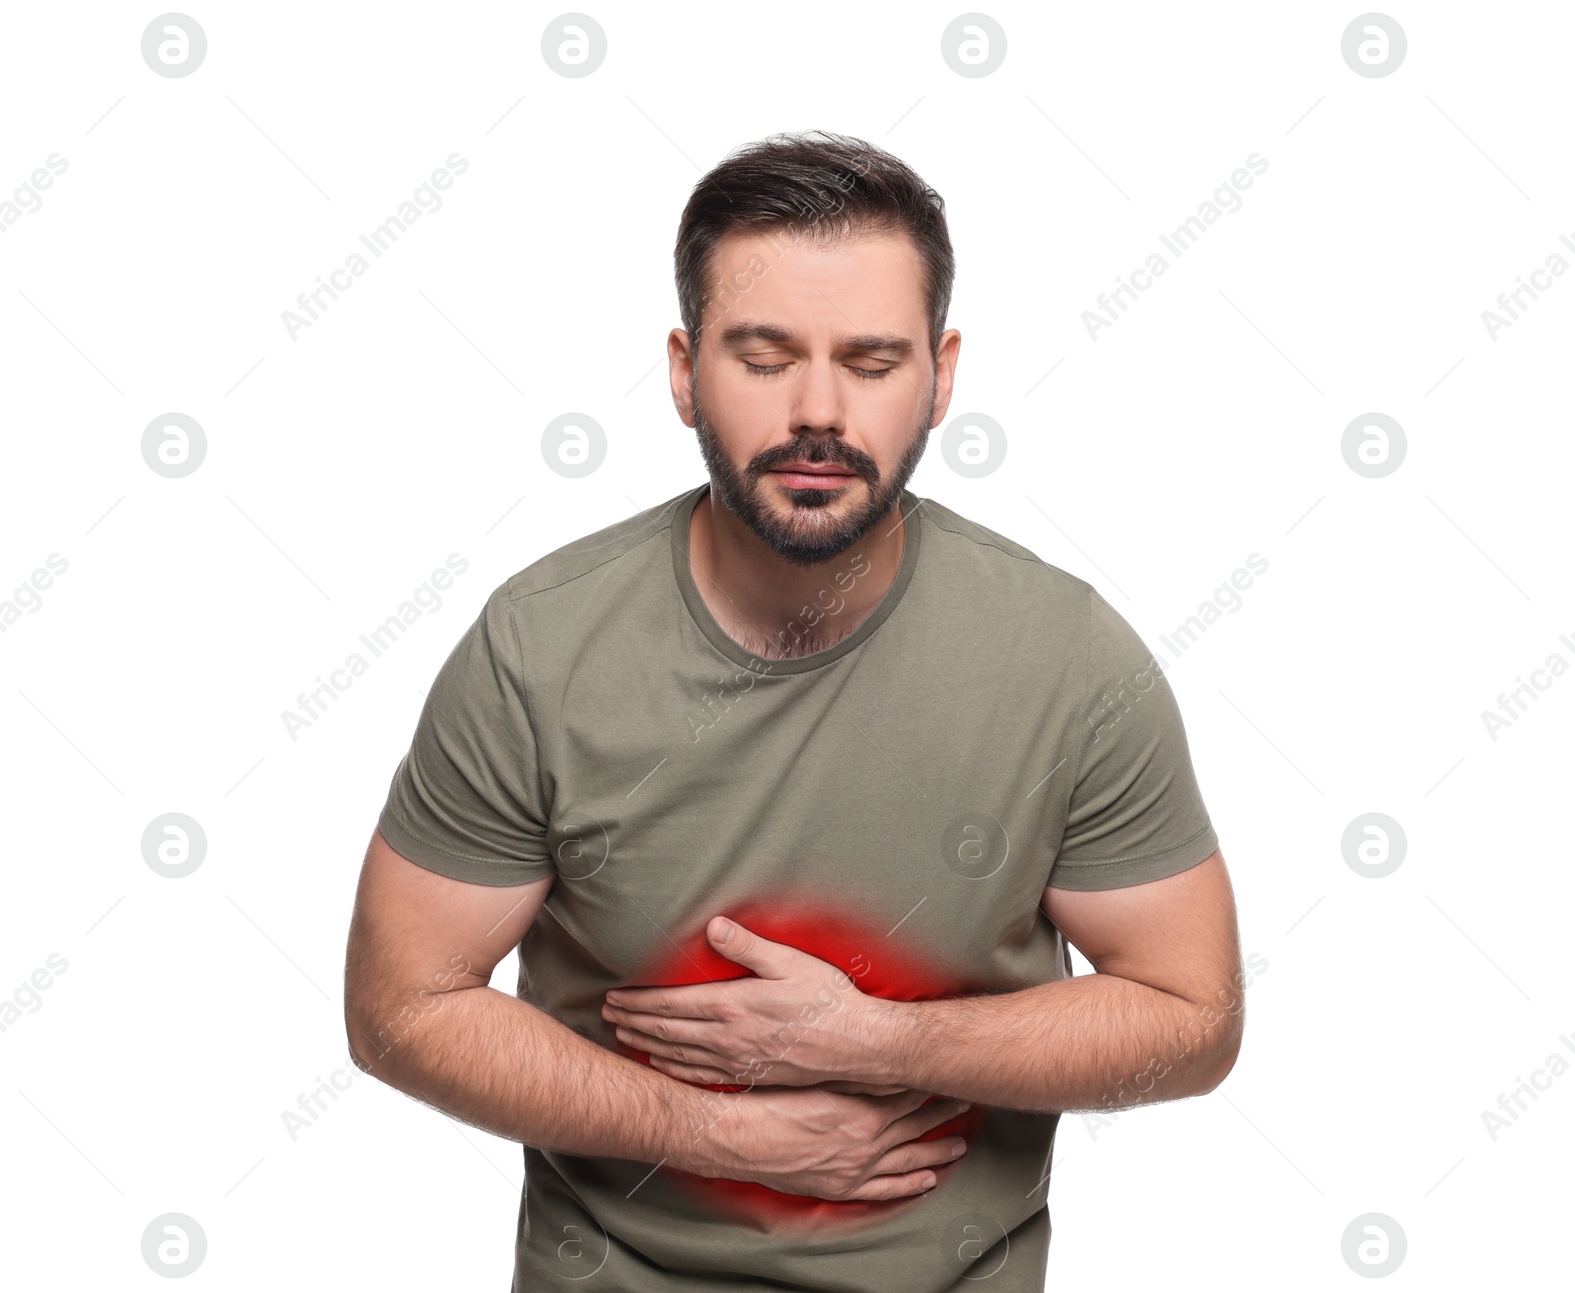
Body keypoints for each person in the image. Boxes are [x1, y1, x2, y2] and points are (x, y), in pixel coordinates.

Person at [343, 130, 1245, 1291]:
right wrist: (713, 1130)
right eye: (763, 358)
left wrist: (882, 1043)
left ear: (941, 373)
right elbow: (401, 1008)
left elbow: (1191, 1018)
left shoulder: (1067, 660)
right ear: (682, 372)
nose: (817, 410)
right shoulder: (540, 648)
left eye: (870, 363)